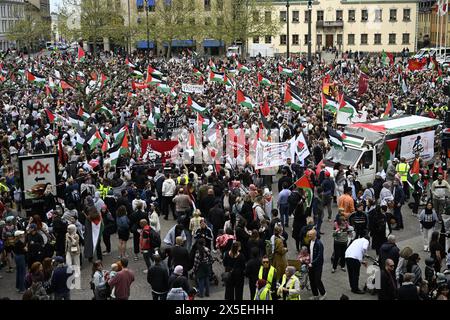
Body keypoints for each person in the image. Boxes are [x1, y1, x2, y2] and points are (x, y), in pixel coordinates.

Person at [307, 229, 326, 300]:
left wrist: (312, 263)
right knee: (311, 280)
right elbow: (309, 252)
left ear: (314, 235)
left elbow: (319, 256)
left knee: (317, 280)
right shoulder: (310, 241)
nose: (309, 236)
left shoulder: (319, 244)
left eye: (310, 235)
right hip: (311, 264)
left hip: (317, 265)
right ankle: (315, 294)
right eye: (308, 235)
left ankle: (323, 293)